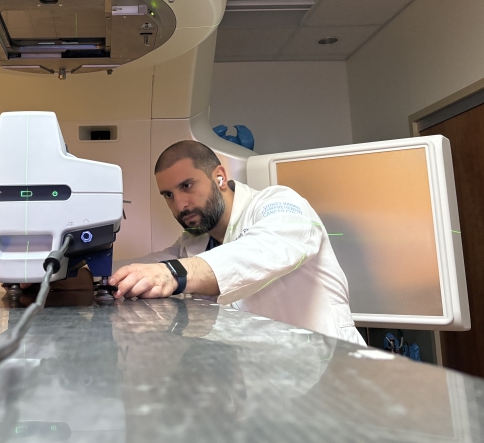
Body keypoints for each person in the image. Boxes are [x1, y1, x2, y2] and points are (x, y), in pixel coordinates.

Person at [110, 140, 366, 345]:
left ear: (219, 177)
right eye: (168, 195)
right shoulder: (195, 242)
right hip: (268, 383)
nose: (179, 205)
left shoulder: (279, 203)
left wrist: (173, 273)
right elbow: (152, 265)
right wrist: (91, 273)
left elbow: (266, 248)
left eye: (187, 185)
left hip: (330, 367)